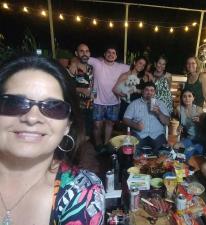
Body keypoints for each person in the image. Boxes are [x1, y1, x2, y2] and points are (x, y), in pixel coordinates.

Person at [0, 56, 105, 224]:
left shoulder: (82, 193)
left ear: (67, 126)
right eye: (15, 103)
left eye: (53, 107)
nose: (32, 118)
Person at [71, 46, 129, 146]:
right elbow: (82, 57)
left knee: (109, 124)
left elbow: (136, 68)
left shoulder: (121, 67)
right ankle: (98, 145)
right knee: (97, 125)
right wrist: (73, 62)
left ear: (116, 56)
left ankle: (106, 144)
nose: (111, 54)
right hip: (98, 101)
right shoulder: (96, 63)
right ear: (104, 54)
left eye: (113, 53)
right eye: (109, 52)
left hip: (114, 102)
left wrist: (148, 74)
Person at [123, 82, 170, 155]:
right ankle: (136, 165)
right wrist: (136, 125)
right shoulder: (134, 104)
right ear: (142, 91)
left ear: (155, 92)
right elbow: (125, 119)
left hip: (157, 134)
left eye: (152, 90)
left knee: (163, 154)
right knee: (132, 153)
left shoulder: (161, 104)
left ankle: (155, 165)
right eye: (147, 90)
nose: (149, 92)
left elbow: (167, 122)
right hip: (139, 134)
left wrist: (159, 112)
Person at [68, 43, 94, 139]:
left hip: (89, 105)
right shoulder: (72, 68)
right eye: (81, 51)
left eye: (87, 51)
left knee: (87, 133)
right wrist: (81, 90)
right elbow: (65, 86)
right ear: (76, 53)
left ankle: (83, 150)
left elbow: (92, 84)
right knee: (76, 133)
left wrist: (94, 95)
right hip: (77, 106)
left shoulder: (91, 68)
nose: (84, 53)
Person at [173, 89, 203, 161]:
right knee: (176, 146)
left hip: (199, 140)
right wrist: (179, 127)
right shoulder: (179, 109)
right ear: (182, 98)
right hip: (189, 138)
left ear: (193, 98)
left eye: (190, 96)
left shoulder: (198, 109)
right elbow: (181, 124)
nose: (187, 99)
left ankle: (184, 166)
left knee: (186, 152)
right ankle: (180, 166)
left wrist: (200, 121)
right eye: (184, 96)